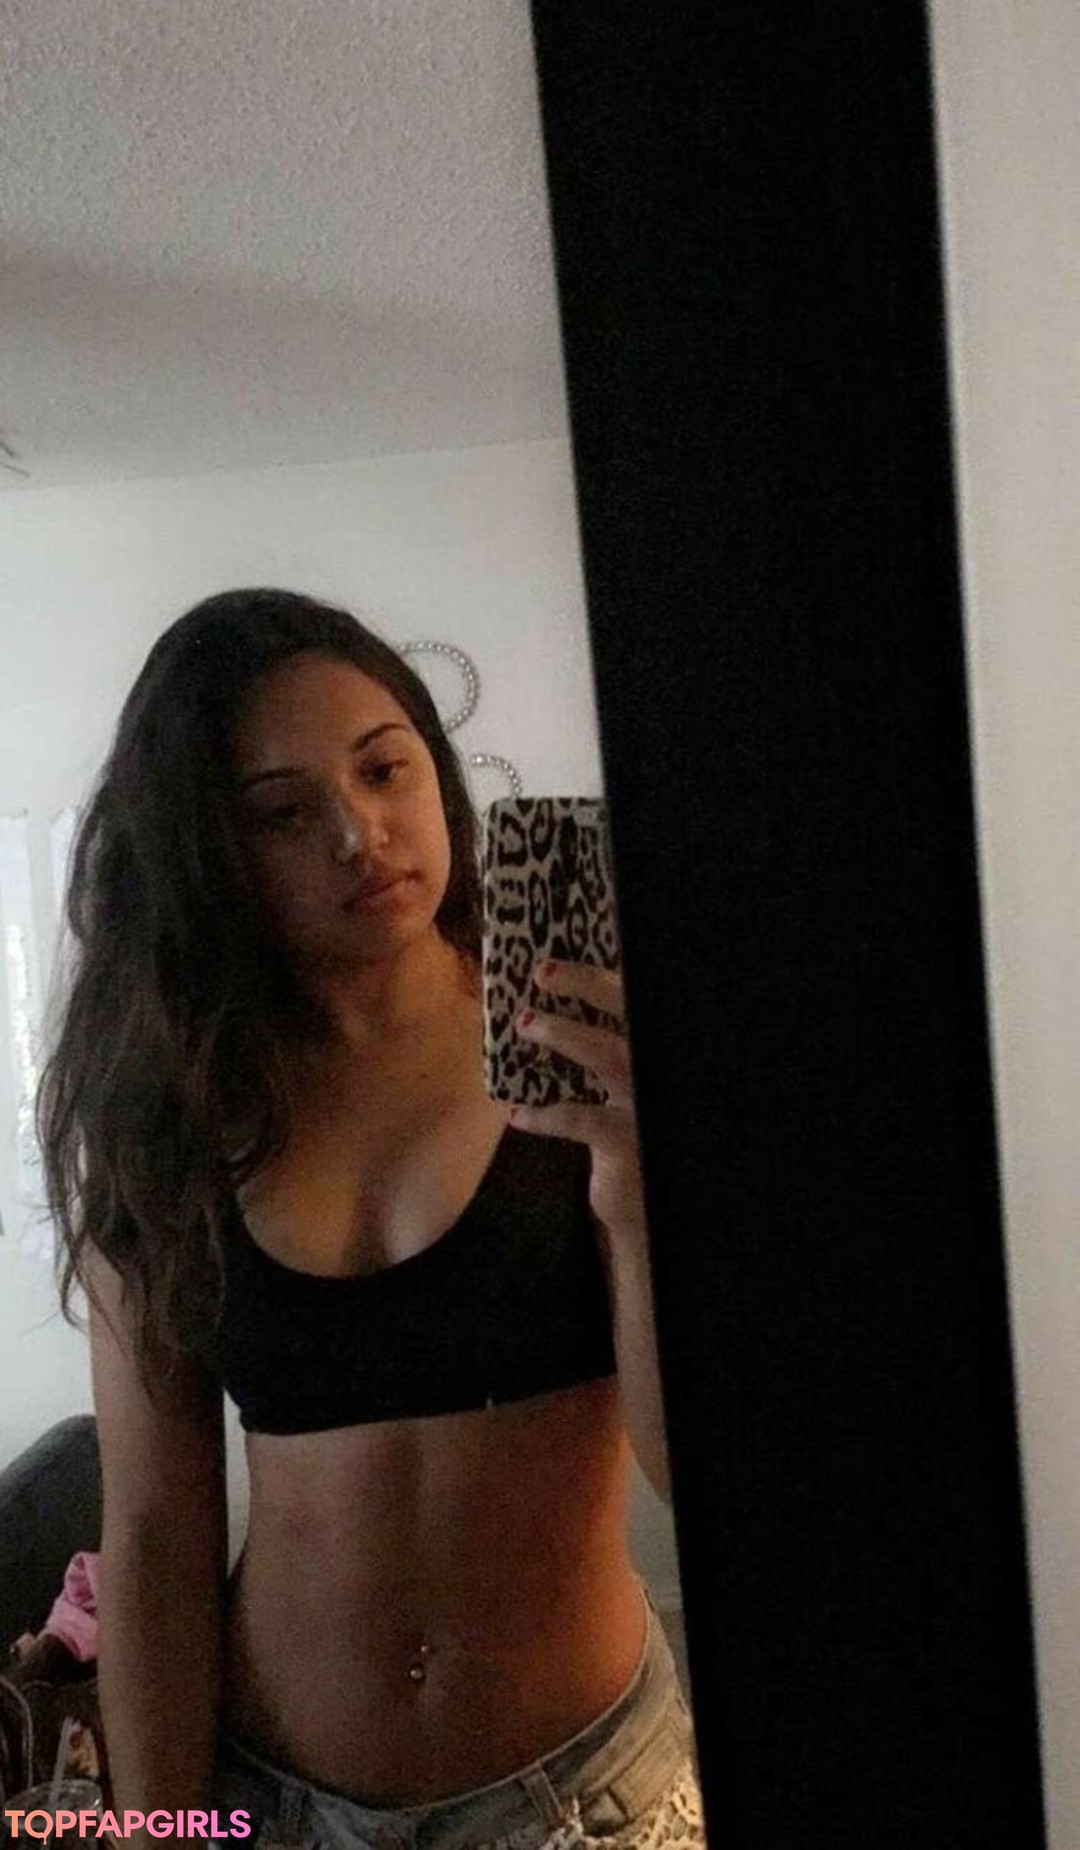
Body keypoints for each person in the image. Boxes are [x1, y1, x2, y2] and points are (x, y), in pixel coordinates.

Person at [38, 589, 704, 1850]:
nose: (361, 833)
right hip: (272, 1800)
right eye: (283, 813)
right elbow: (157, 1536)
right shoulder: (170, 1118)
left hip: (583, 1799)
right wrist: (159, 1829)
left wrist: (636, 1192)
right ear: (206, 853)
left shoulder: (584, 1052)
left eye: (384, 768)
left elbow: (704, 1479)